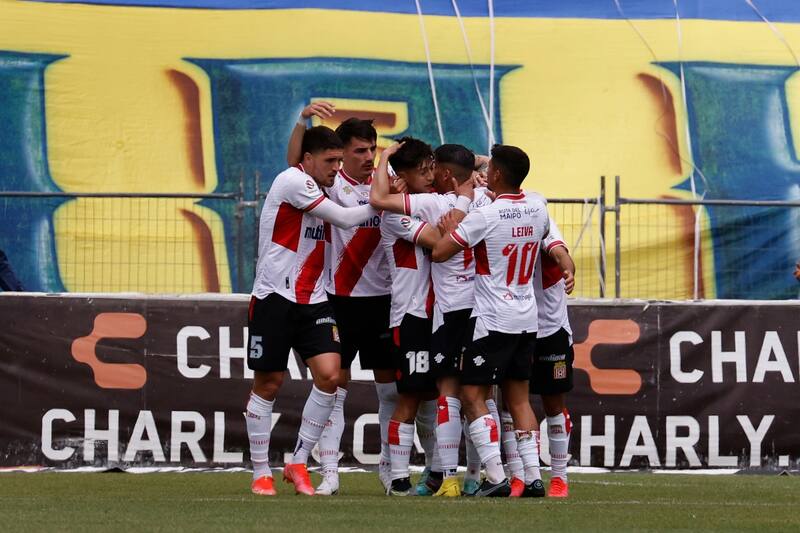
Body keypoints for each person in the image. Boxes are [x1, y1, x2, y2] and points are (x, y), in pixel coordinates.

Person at [246, 126, 379, 497]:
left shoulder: (322, 185)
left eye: (339, 160)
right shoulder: (294, 181)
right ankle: (261, 472)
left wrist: (304, 121)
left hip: (314, 299)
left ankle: (299, 460)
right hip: (274, 296)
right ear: (308, 160)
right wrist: (385, 202)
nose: (337, 167)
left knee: (330, 376)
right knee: (268, 383)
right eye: (330, 160)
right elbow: (347, 219)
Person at [285, 104, 398, 495]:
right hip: (340, 300)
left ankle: (390, 470)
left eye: (372, 150)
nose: (368, 157)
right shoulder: (329, 184)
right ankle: (330, 472)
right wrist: (302, 119)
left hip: (385, 301)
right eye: (360, 151)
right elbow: (294, 163)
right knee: (335, 386)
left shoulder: (390, 183)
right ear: (342, 153)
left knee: (390, 391)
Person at [432, 144, 549, 497]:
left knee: (471, 395)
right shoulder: (538, 207)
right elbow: (539, 236)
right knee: (519, 400)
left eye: (491, 166)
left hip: (493, 318)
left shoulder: (487, 215)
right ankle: (533, 478)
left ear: (496, 173)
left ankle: (496, 476)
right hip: (527, 316)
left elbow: (440, 252)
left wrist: (455, 222)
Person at [369, 138, 473, 495]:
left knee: (437, 397)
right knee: (410, 397)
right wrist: (459, 213)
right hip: (411, 314)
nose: (430, 176)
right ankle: (398, 479)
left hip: (439, 312)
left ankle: (437, 473)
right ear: (403, 175)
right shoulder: (395, 215)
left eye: (432, 168)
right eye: (422, 171)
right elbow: (437, 239)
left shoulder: (430, 202)